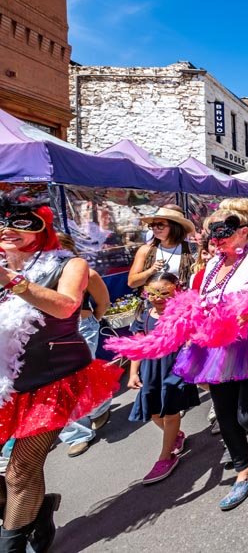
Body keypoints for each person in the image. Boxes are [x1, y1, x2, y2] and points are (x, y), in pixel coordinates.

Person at [109, 206, 248, 511]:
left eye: (225, 228)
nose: (217, 236)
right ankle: (245, 469)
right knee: (225, 414)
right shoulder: (211, 266)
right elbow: (196, 304)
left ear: (244, 231)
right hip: (217, 347)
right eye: (212, 229)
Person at [0, 190, 122, 552]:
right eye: (2, 222)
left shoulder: (69, 264)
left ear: (43, 227)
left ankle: (12, 545)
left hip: (50, 383)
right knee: (17, 475)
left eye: (19, 223)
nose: (7, 229)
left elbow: (67, 306)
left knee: (20, 470)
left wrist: (12, 280)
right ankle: (38, 512)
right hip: (5, 384)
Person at [126, 272, 200, 484]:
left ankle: (165, 457)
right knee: (153, 412)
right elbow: (138, 347)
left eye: (164, 292)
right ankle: (175, 436)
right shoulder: (144, 316)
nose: (158, 297)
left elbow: (195, 337)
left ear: (176, 291)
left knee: (170, 412)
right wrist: (133, 373)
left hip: (175, 368)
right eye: (152, 292)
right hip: (150, 369)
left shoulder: (183, 314)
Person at [55, 234, 112, 459]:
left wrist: (92, 320)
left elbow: (103, 302)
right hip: (47, 333)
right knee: (57, 385)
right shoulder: (33, 274)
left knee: (79, 377)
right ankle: (76, 434)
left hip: (80, 326)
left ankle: (99, 406)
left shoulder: (86, 272)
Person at [128, 205, 196, 288]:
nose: (155, 228)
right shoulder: (145, 250)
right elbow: (131, 283)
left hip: (181, 299)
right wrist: (150, 271)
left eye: (160, 225)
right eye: (152, 225)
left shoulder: (191, 249)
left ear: (175, 227)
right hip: (153, 299)